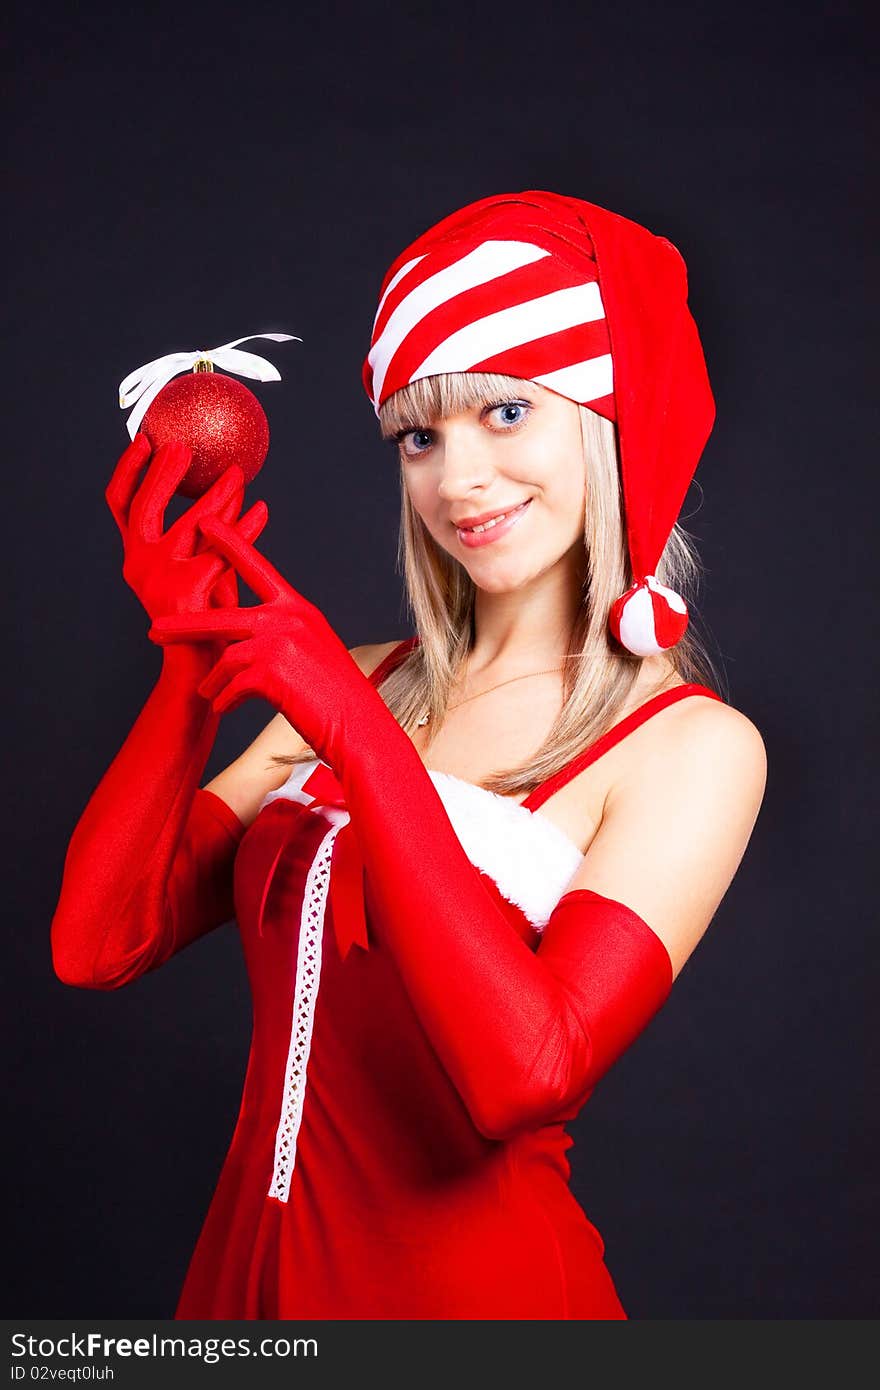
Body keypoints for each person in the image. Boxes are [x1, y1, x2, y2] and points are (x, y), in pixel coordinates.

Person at [51, 189, 767, 1320]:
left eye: (506, 414)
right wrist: (187, 664)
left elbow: (526, 1074)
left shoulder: (689, 747)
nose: (457, 478)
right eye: (419, 436)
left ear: (608, 421)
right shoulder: (360, 674)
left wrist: (356, 736)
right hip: (237, 1294)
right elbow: (99, 944)